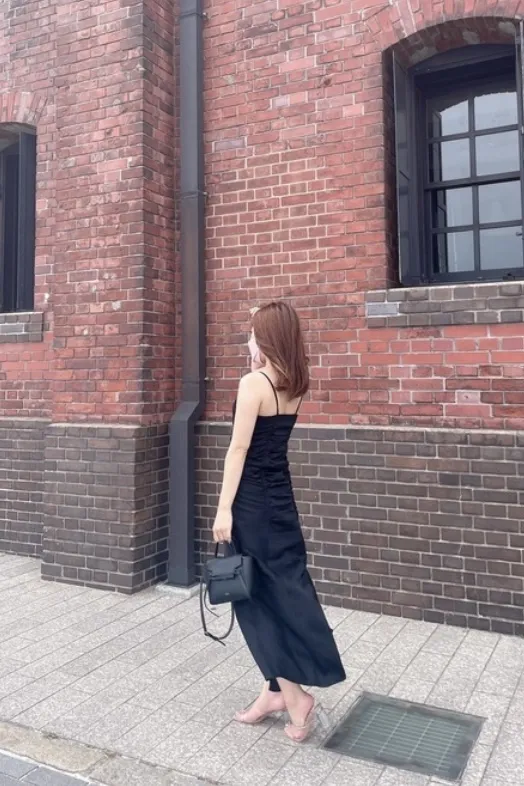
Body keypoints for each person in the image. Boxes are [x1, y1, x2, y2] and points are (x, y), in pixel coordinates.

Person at [212, 301, 346, 743]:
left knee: (256, 598)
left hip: (252, 504)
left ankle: (294, 697)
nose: (247, 341)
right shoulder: (295, 383)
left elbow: (238, 449)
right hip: (280, 502)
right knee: (283, 589)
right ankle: (272, 692)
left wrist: (223, 509)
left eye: (252, 334)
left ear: (267, 339)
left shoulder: (254, 383)